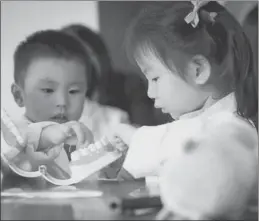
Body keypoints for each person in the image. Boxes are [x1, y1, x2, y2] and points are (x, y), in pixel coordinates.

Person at [108, 1, 258, 219]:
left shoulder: (231, 129)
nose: (150, 92)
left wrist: (136, 137)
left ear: (198, 70)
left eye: (155, 78)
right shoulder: (208, 122)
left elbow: (186, 143)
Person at [1, 30, 95, 189]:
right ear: (19, 96)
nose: (62, 102)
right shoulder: (10, 138)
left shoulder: (82, 139)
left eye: (73, 91)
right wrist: (43, 136)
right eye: (47, 90)